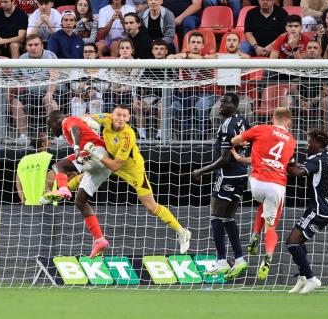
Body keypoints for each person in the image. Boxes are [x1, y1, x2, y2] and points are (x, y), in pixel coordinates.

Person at [83, 105, 192, 254]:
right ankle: (60, 189)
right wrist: (83, 120)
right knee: (86, 171)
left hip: (133, 170)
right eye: (118, 115)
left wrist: (95, 152)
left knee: (150, 206)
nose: (121, 119)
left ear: (128, 118)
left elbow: (115, 166)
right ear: (112, 115)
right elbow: (91, 116)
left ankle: (182, 232)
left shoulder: (128, 136)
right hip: (112, 160)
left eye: (124, 116)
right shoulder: (108, 119)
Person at [231, 107, 297, 280]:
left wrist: (241, 147)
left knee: (263, 202)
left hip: (256, 184)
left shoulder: (261, 128)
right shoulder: (291, 141)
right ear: (288, 122)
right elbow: (288, 164)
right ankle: (267, 256)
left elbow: (234, 140)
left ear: (272, 118)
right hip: (276, 185)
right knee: (271, 225)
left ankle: (254, 235)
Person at [192, 93, 249, 279]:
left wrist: (201, 170)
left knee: (215, 216)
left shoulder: (227, 125)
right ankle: (239, 259)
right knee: (228, 218)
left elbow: (224, 159)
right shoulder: (243, 121)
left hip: (227, 175)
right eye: (220, 102)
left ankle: (222, 261)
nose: (220, 105)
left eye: (225, 102)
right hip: (242, 174)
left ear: (235, 105)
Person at [44, 110, 112, 258]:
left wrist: (76, 149)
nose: (51, 131)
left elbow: (75, 129)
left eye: (50, 127)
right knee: (80, 201)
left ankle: (62, 189)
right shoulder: (79, 124)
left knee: (58, 166)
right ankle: (99, 239)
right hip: (104, 166)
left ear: (55, 122)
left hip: (95, 153)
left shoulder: (67, 121)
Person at [286, 129, 328, 294]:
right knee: (297, 243)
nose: (307, 145)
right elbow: (306, 169)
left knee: (292, 242)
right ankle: (302, 278)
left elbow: (297, 172)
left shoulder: (316, 159)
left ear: (318, 143)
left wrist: (284, 160)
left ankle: (311, 279)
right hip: (321, 208)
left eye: (309, 141)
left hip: (318, 210)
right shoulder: (327, 158)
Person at [11, 34, 59, 138]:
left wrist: (49, 93)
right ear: (26, 47)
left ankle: (57, 135)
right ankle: (23, 135)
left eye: (36, 45)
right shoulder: (22, 58)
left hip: (49, 91)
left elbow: (54, 76)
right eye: (30, 45)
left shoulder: (49, 56)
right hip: (30, 93)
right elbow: (14, 77)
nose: (33, 47)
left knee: (51, 103)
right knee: (15, 103)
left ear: (42, 46)